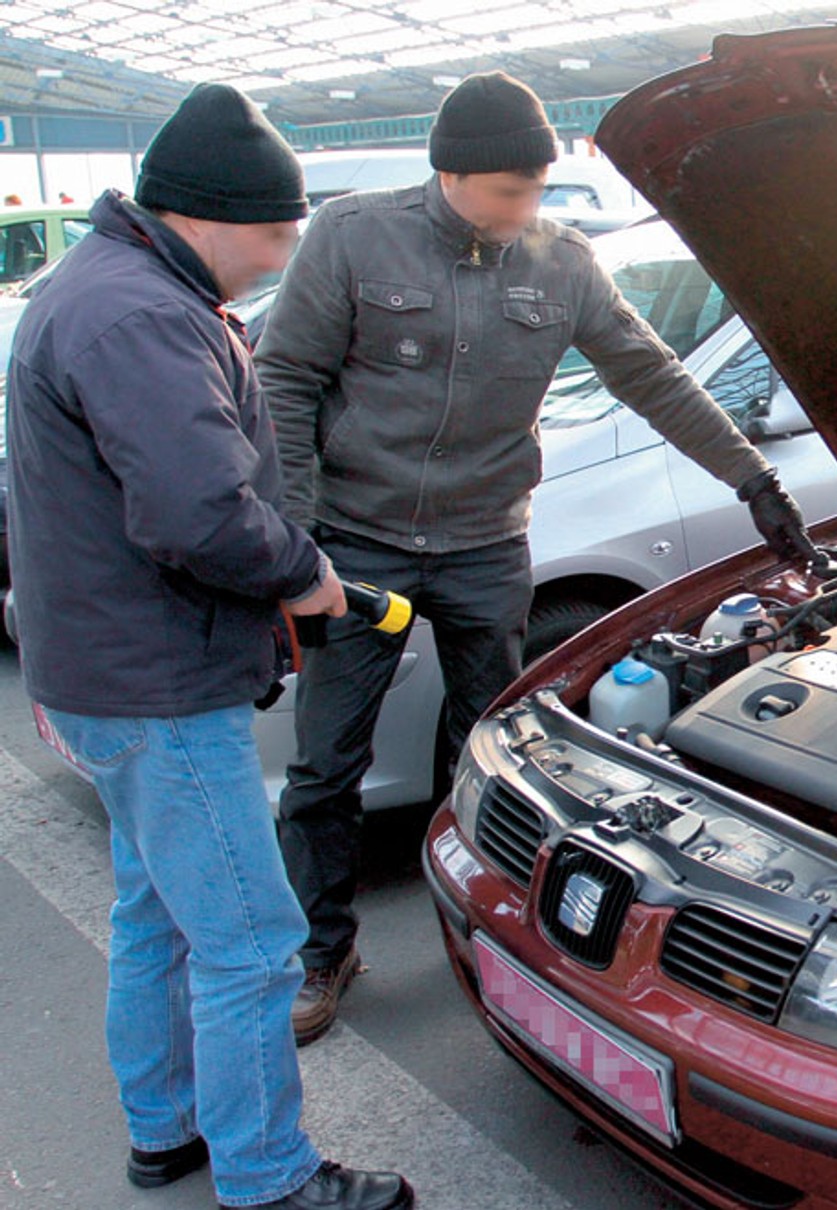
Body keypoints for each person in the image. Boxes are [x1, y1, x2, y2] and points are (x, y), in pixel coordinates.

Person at [256, 71, 816, 1045]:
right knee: (326, 763)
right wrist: (298, 538)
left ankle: (487, 921)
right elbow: (285, 379)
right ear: (450, 174)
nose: (526, 207)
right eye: (509, 190)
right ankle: (321, 949)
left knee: (490, 750)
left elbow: (652, 375)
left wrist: (751, 479)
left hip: (484, 544)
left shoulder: (563, 264)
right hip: (360, 542)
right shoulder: (353, 237)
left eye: (537, 188)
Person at [6, 86, 414, 1209]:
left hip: (107, 672)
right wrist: (303, 572)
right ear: (207, 216)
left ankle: (167, 1126)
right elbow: (198, 516)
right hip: (159, 686)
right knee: (251, 942)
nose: (281, 257)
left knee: (158, 916)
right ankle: (268, 1175)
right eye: (276, 234)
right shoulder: (141, 314)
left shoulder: (105, 286)